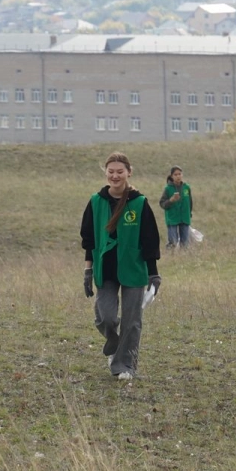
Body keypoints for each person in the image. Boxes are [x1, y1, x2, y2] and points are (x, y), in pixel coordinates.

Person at [80, 152, 162, 381]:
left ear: (128, 172)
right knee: (105, 317)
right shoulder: (95, 202)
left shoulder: (139, 202)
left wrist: (154, 275)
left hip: (134, 269)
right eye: (111, 171)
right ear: (106, 172)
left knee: (131, 320)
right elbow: (89, 239)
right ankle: (114, 344)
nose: (115, 176)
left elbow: (150, 241)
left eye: (120, 171)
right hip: (105, 268)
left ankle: (125, 365)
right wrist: (88, 270)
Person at [159, 165, 193, 250]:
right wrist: (171, 200)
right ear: (171, 176)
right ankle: (170, 256)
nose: (178, 176)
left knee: (185, 243)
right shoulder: (168, 189)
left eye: (180, 174)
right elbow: (162, 203)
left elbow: (190, 201)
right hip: (172, 218)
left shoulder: (186, 187)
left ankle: (182, 259)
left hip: (184, 217)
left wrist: (189, 213)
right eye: (175, 174)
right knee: (173, 241)